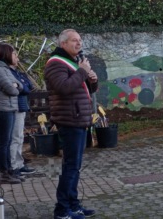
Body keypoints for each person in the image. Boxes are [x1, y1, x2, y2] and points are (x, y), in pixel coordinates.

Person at [44, 29, 97, 219]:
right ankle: (62, 209)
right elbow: (64, 88)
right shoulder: (55, 63)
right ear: (63, 43)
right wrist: (82, 71)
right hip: (69, 120)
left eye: (80, 40)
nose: (79, 43)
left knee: (74, 166)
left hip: (78, 119)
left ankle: (73, 205)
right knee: (71, 166)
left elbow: (81, 88)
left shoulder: (74, 62)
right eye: (74, 40)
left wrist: (92, 80)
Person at [0, 43, 23, 184]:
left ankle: (9, 171)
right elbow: (13, 89)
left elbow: (20, 84)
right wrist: (15, 86)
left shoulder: (5, 69)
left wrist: (16, 85)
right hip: (1, 109)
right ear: (6, 54)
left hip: (9, 108)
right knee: (4, 143)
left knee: (7, 141)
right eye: (13, 53)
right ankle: (4, 174)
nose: (15, 56)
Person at [10, 61, 36, 178]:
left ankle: (19, 164)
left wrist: (21, 85)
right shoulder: (9, 73)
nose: (17, 58)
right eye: (14, 55)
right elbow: (22, 88)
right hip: (16, 107)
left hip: (22, 106)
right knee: (15, 138)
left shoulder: (19, 73)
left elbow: (28, 86)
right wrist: (22, 86)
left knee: (19, 137)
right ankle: (14, 166)